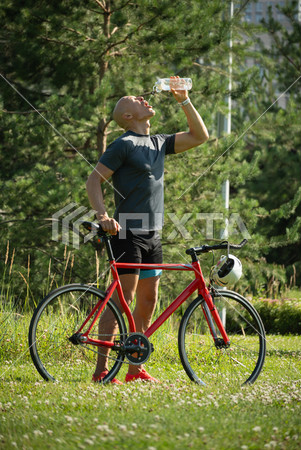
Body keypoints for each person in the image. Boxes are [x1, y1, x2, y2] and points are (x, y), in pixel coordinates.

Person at [86, 76, 209, 383]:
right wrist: (103, 216)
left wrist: (183, 99)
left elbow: (200, 136)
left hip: (153, 234)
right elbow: (93, 181)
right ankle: (102, 369)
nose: (143, 99)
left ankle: (134, 369)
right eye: (134, 100)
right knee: (121, 300)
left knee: (148, 301)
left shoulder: (159, 143)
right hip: (126, 231)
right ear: (128, 117)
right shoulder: (123, 145)